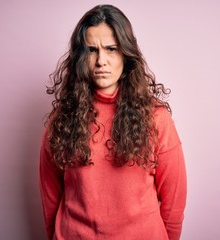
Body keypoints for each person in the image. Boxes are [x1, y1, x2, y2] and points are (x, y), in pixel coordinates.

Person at [39, 4, 187, 240]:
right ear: (80, 57)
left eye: (111, 49)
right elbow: (50, 197)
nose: (101, 61)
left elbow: (173, 202)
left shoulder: (156, 117)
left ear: (126, 55)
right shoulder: (63, 119)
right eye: (91, 50)